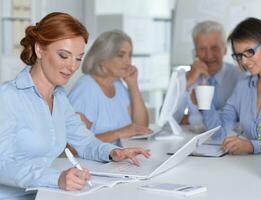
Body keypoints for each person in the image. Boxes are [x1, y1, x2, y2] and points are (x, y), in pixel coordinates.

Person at [0, 12, 150, 200]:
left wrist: (113, 152)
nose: (72, 67)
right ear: (39, 50)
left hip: (45, 195)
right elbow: (2, 165)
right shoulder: (7, 97)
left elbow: (85, 141)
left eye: (78, 58)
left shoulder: (59, 97)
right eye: (64, 56)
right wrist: (57, 178)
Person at [201, 17, 261, 155]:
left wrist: (252, 146)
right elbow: (219, 132)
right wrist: (203, 98)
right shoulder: (243, 86)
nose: (244, 61)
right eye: (239, 55)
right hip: (247, 168)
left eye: (249, 52)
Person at [68, 30, 151, 147]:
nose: (128, 61)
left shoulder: (118, 85)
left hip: (118, 159)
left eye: (129, 55)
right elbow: (72, 145)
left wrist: (133, 85)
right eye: (121, 55)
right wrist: (119, 133)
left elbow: (141, 128)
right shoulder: (87, 88)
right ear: (103, 58)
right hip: (93, 163)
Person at [174, 20, 244, 126]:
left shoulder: (239, 77)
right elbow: (169, 120)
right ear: (195, 53)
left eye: (214, 48)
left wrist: (191, 119)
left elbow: (237, 118)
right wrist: (187, 83)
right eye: (202, 49)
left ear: (224, 49)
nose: (208, 55)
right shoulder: (186, 77)